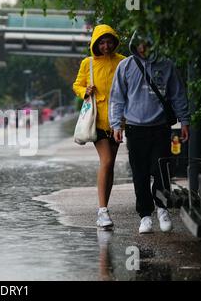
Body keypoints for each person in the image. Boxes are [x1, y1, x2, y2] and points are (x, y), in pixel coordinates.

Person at [109, 30, 190, 234]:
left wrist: (185, 121)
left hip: (160, 128)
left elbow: (178, 94)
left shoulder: (167, 66)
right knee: (140, 174)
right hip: (135, 129)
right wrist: (116, 124)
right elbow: (117, 98)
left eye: (147, 44)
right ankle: (145, 215)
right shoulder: (125, 66)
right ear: (135, 45)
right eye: (140, 44)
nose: (143, 48)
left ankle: (162, 209)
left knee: (161, 171)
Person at [73, 24, 125, 229]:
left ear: (114, 41)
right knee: (107, 159)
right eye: (101, 42)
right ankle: (102, 211)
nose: (106, 46)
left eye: (109, 41)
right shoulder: (89, 63)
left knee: (110, 164)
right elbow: (76, 85)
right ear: (95, 43)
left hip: (118, 121)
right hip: (97, 121)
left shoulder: (123, 62)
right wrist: (85, 90)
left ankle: (105, 208)